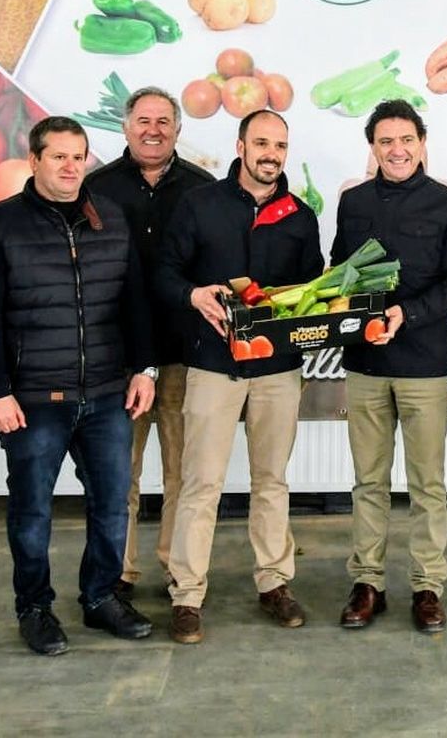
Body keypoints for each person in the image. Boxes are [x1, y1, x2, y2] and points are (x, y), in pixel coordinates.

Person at [0, 116, 158, 655]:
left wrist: (144, 368)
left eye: (78, 156)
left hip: (106, 393)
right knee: (32, 511)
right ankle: (34, 608)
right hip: (33, 399)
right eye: (59, 156)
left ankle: (100, 597)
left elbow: (134, 300)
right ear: (34, 160)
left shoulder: (111, 218)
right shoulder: (0, 222)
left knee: (112, 504)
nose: (71, 167)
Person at [155, 109, 323, 644]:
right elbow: (164, 272)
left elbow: (312, 288)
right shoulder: (199, 204)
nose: (271, 154)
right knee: (200, 482)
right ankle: (186, 594)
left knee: (271, 480)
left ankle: (275, 582)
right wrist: (191, 295)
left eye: (280, 145)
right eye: (262, 143)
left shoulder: (300, 216)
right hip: (213, 365)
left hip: (277, 369)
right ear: (240, 146)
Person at [330, 100, 447, 634]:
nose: (397, 150)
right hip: (365, 364)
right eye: (385, 141)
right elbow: (339, 269)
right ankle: (367, 582)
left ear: (422, 143)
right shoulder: (353, 202)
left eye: (406, 140)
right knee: (368, 481)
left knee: (427, 484)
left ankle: (427, 585)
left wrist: (407, 313)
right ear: (373, 148)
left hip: (424, 366)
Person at [84, 87, 215, 601]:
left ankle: (176, 566)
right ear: (125, 127)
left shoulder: (203, 189)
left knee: (183, 472)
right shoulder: (97, 187)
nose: (153, 130)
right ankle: (119, 572)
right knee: (120, 473)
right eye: (143, 120)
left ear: (178, 129)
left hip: (185, 353)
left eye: (164, 121)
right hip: (118, 358)